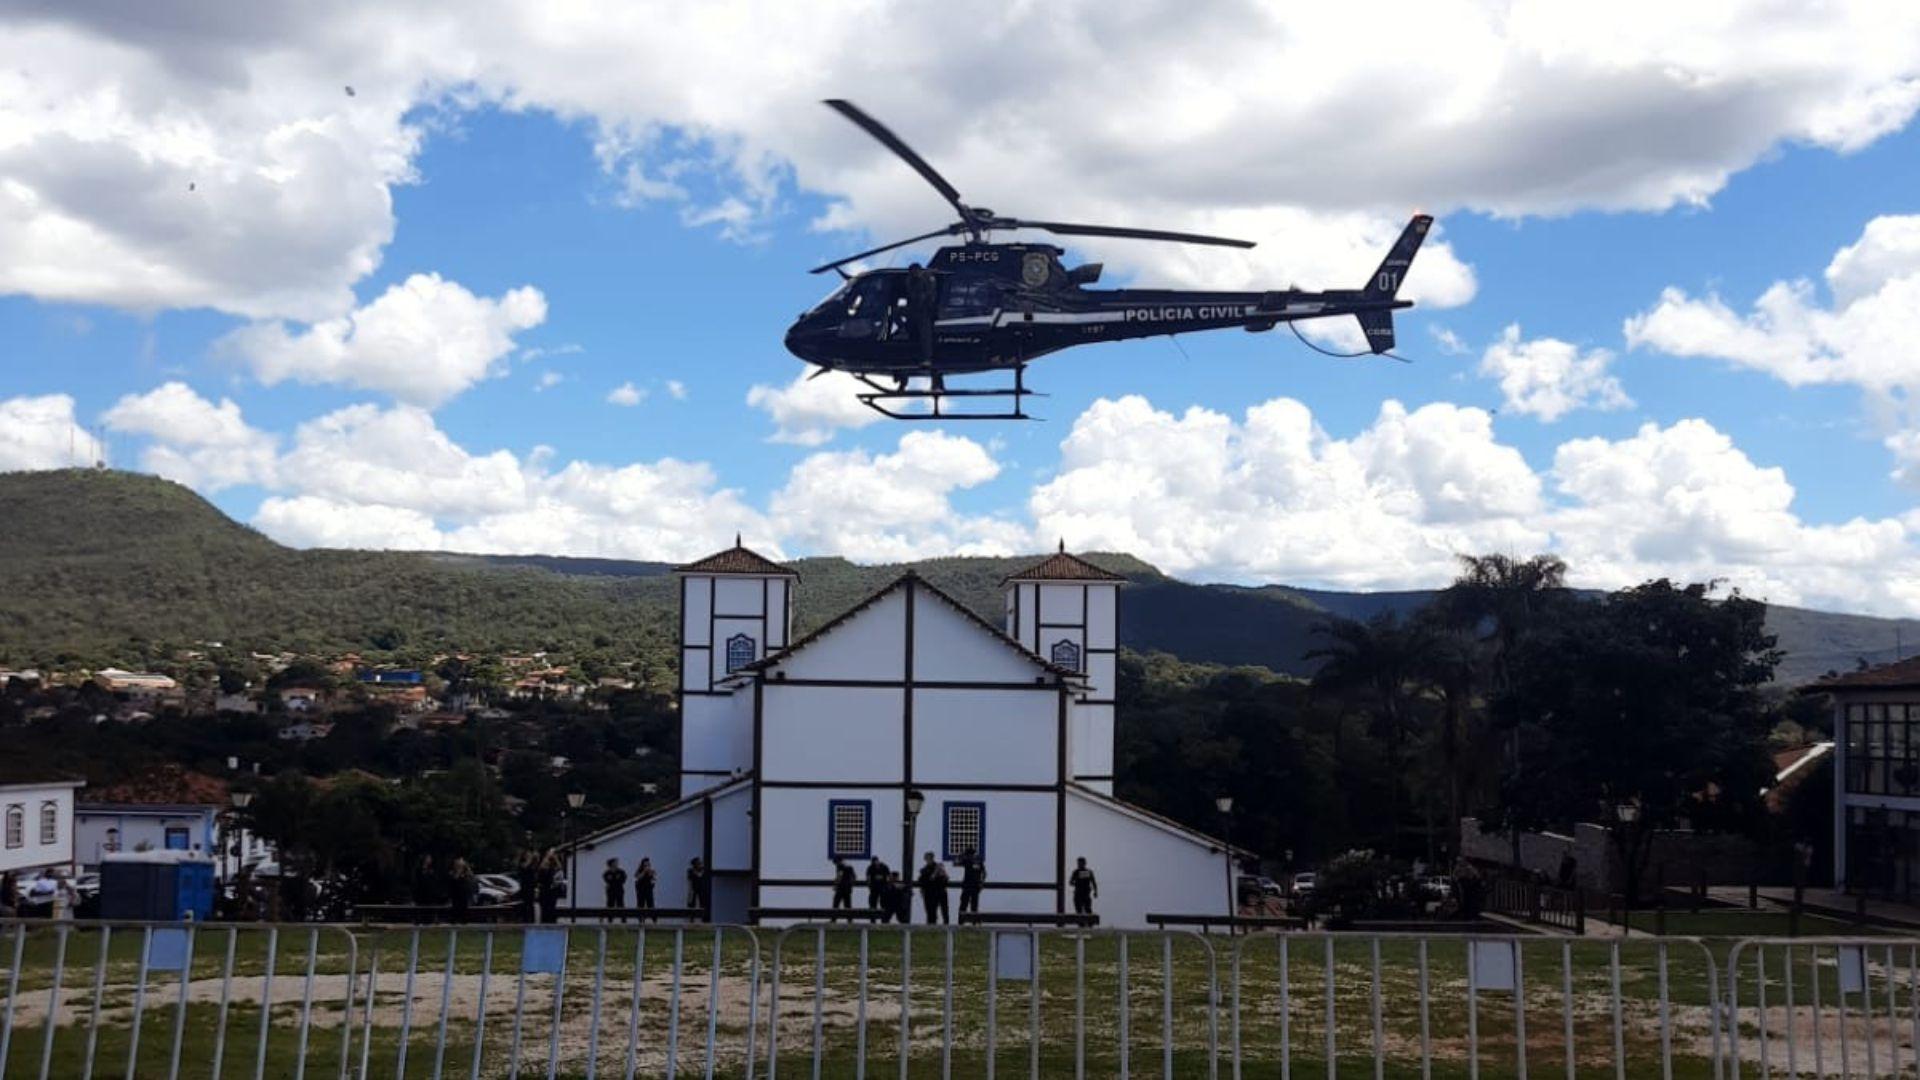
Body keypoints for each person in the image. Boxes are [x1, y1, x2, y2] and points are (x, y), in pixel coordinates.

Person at [917, 852, 950, 924]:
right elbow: (923, 880)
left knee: (944, 911)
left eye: (929, 858)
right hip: (929, 893)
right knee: (931, 912)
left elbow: (945, 878)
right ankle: (931, 926)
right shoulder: (924, 870)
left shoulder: (939, 868)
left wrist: (940, 873)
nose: (928, 860)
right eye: (927, 858)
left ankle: (946, 926)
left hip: (939, 891)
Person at [537, 850, 564, 924]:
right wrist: (547, 856)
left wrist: (555, 858)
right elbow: (541, 867)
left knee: (552, 908)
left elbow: (560, 868)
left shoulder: (554, 869)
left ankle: (552, 922)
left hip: (552, 891)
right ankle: (544, 923)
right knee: (544, 909)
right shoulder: (543, 869)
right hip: (544, 891)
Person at [958, 847, 985, 916]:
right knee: (974, 906)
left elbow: (956, 861)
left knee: (964, 905)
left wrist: (961, 854)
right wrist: (981, 882)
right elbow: (984, 873)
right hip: (975, 885)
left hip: (967, 885)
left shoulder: (966, 861)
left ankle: (961, 921)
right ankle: (974, 921)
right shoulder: (978, 861)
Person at [448, 858, 474, 923]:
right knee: (456, 908)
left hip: (464, 895)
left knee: (464, 908)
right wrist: (458, 872)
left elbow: (470, 880)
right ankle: (455, 919)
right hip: (456, 894)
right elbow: (454, 879)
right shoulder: (453, 872)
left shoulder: (466, 873)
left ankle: (463, 920)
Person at [514, 851, 539, 923]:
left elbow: (536, 866)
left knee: (531, 905)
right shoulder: (521, 864)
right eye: (527, 855)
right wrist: (530, 858)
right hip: (525, 887)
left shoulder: (531, 865)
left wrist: (535, 858)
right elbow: (525, 866)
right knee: (525, 904)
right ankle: (525, 919)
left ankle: (531, 920)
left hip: (531, 887)